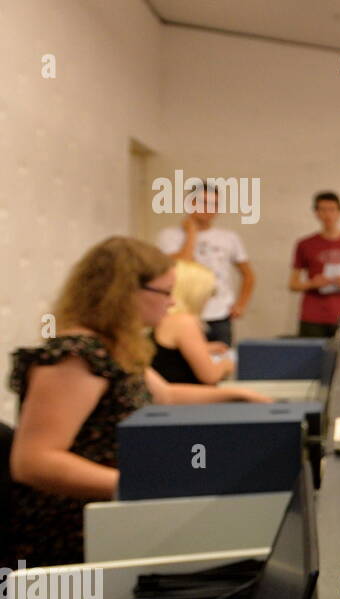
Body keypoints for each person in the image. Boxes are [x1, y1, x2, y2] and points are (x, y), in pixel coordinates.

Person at [8, 238, 271, 568]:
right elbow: (34, 461)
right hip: (79, 525)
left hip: (115, 507)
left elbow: (167, 395)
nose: (172, 303)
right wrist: (141, 485)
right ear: (126, 292)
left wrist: (236, 395)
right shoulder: (75, 357)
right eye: (165, 292)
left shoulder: (116, 346)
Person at [156, 183, 254, 347]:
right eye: (204, 203)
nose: (209, 209)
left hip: (219, 315)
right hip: (180, 313)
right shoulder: (169, 236)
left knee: (218, 363)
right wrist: (191, 233)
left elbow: (248, 275)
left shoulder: (228, 237)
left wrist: (240, 305)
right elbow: (181, 263)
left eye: (214, 204)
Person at [289, 191, 340, 337]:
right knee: (312, 357)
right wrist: (313, 283)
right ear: (316, 213)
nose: (327, 214)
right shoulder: (305, 244)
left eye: (332, 209)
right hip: (313, 315)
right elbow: (293, 283)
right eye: (322, 210)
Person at [150, 259, 234, 385]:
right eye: (210, 293)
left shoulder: (163, 320)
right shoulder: (183, 322)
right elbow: (210, 376)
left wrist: (203, 349)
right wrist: (227, 364)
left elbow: (168, 356)